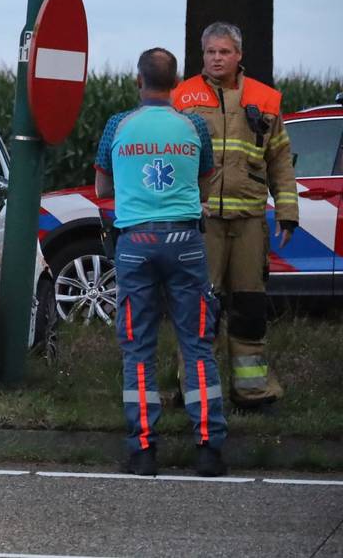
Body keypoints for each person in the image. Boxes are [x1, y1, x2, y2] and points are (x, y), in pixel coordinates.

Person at [95, 48, 228, 477]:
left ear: (138, 80)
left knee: (137, 347)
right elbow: (204, 189)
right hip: (185, 241)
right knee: (197, 345)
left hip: (135, 242)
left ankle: (143, 451)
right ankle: (208, 449)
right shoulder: (193, 126)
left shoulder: (118, 125)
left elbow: (101, 186)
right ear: (175, 83)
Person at [172, 22, 297, 412]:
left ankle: (253, 393)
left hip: (249, 223)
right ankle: (193, 390)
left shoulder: (266, 99)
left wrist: (288, 212)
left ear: (239, 55)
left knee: (249, 310)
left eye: (223, 52)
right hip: (201, 221)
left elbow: (279, 160)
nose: (215, 59)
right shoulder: (182, 96)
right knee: (197, 311)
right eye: (210, 52)